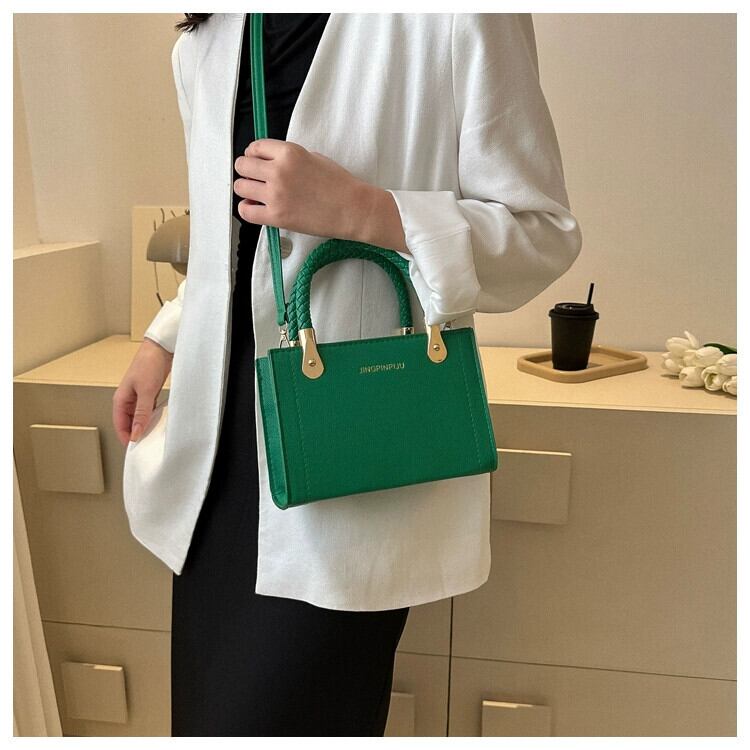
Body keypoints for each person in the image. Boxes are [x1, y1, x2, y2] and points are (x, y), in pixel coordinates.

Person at [114, 12, 582, 737]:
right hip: (216, 451)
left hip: (344, 440)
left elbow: (541, 234)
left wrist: (366, 209)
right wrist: (161, 341)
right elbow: (228, 241)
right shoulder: (208, 35)